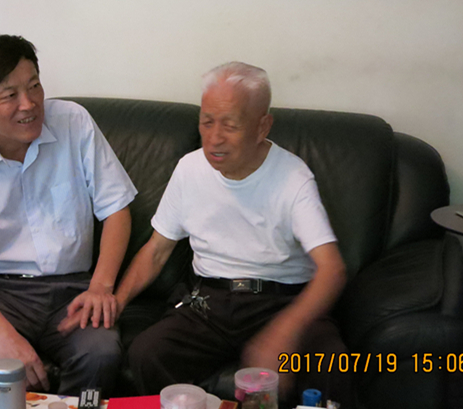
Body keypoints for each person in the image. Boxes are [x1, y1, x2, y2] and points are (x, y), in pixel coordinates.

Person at [110, 62, 348, 402]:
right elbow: (157, 250)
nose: (215, 138)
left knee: (331, 364)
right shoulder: (190, 169)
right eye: (207, 122)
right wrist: (116, 303)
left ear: (262, 126)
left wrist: (282, 332)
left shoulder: (293, 178)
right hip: (208, 303)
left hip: (281, 301)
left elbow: (332, 269)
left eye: (231, 125)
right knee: (148, 353)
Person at [0, 34, 137, 394]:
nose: (29, 104)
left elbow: (116, 208)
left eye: (34, 86)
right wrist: (1, 335)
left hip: (72, 289)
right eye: (9, 95)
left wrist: (101, 287)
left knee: (100, 354)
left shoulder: (73, 122)